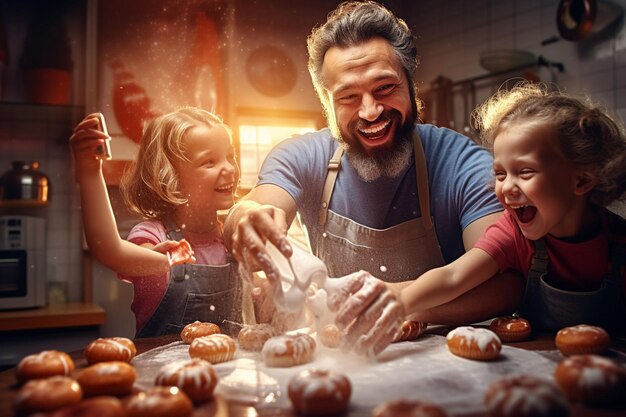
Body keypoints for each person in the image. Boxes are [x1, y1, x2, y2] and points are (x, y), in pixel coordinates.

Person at [224, 0, 523, 332]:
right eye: (349, 97)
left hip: (448, 363)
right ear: (327, 103)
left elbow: (504, 285)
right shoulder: (300, 156)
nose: (370, 111)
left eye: (385, 88)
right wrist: (245, 216)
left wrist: (397, 305)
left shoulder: (463, 163)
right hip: (343, 362)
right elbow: (258, 205)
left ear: (411, 84)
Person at [334, 82, 626, 355]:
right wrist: (399, 304)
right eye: (500, 174)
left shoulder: (619, 241)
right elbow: (452, 276)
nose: (507, 187)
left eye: (525, 172)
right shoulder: (512, 234)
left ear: (582, 180)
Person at [71, 108, 244, 337]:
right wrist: (90, 171)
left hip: (229, 372)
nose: (230, 168)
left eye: (230, 156)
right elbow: (109, 249)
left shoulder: (233, 236)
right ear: (170, 177)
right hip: (164, 372)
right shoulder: (154, 237)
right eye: (209, 162)